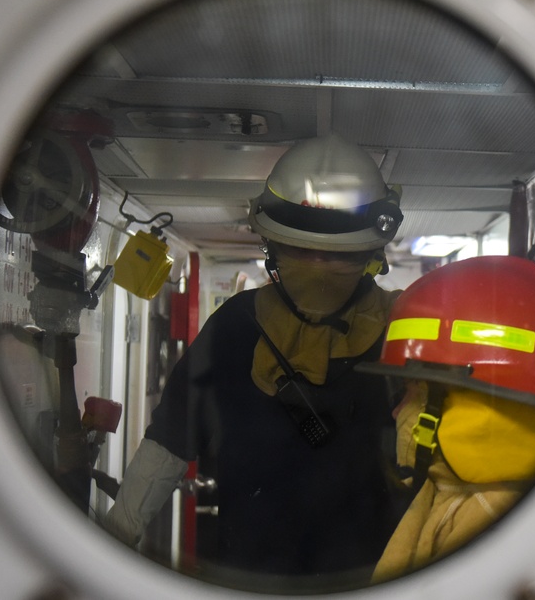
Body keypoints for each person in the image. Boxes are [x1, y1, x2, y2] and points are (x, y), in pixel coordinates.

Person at [103, 135, 407, 588]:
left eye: (336, 256)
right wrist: (111, 546)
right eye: (303, 252)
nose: (319, 267)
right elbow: (167, 445)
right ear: (273, 249)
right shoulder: (234, 329)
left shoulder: (405, 332)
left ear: (369, 255)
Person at [360, 255, 535, 583]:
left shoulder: (491, 518)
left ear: (469, 407)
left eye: (411, 392)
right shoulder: (465, 490)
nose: (396, 411)